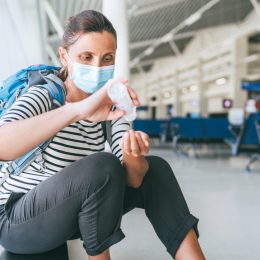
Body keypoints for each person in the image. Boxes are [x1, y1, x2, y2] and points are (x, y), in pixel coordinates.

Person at [0, 10, 205, 260]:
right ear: (65, 56)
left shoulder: (112, 104)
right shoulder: (44, 95)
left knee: (156, 169)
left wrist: (133, 154)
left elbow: (136, 180)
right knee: (102, 165)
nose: (97, 67)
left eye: (107, 58)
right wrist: (77, 110)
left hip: (68, 213)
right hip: (16, 219)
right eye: (86, 57)